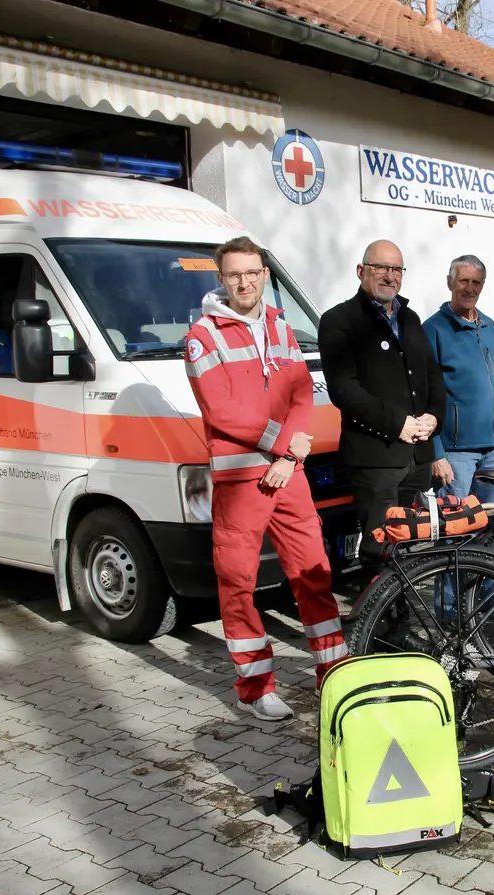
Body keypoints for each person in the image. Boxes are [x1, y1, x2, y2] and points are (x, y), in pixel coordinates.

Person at [184, 236, 348, 722]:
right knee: (238, 583)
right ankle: (255, 688)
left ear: (264, 275)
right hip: (242, 483)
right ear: (221, 279)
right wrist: (284, 445)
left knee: (314, 575)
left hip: (288, 475)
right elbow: (223, 411)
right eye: (234, 274)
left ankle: (333, 676)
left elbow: (300, 393)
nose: (244, 282)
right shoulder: (203, 337)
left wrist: (291, 455)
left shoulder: (281, 326)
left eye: (252, 272)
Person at [318, 240, 446, 568]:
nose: (389, 276)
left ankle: (402, 612)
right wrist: (397, 423)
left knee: (408, 549)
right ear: (362, 271)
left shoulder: (411, 319)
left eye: (396, 269)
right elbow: (343, 390)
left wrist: (434, 416)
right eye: (381, 268)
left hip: (417, 457)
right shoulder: (339, 320)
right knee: (381, 550)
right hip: (376, 461)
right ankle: (380, 619)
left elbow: (432, 376)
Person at [423, 254, 494, 504]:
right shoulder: (433, 330)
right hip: (456, 454)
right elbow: (422, 396)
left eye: (477, 282)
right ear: (450, 282)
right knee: (455, 529)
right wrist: (436, 454)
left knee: (488, 527)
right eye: (463, 280)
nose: (470, 288)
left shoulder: (491, 328)